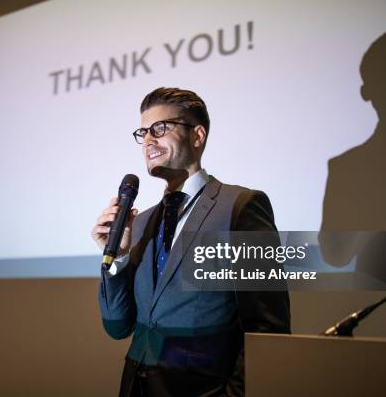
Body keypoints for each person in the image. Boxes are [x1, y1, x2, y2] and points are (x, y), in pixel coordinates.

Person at [92, 87, 290, 397]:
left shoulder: (241, 207)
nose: (148, 140)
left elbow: (268, 330)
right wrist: (117, 258)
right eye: (143, 132)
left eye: (160, 128)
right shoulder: (139, 223)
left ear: (197, 136)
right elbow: (117, 326)